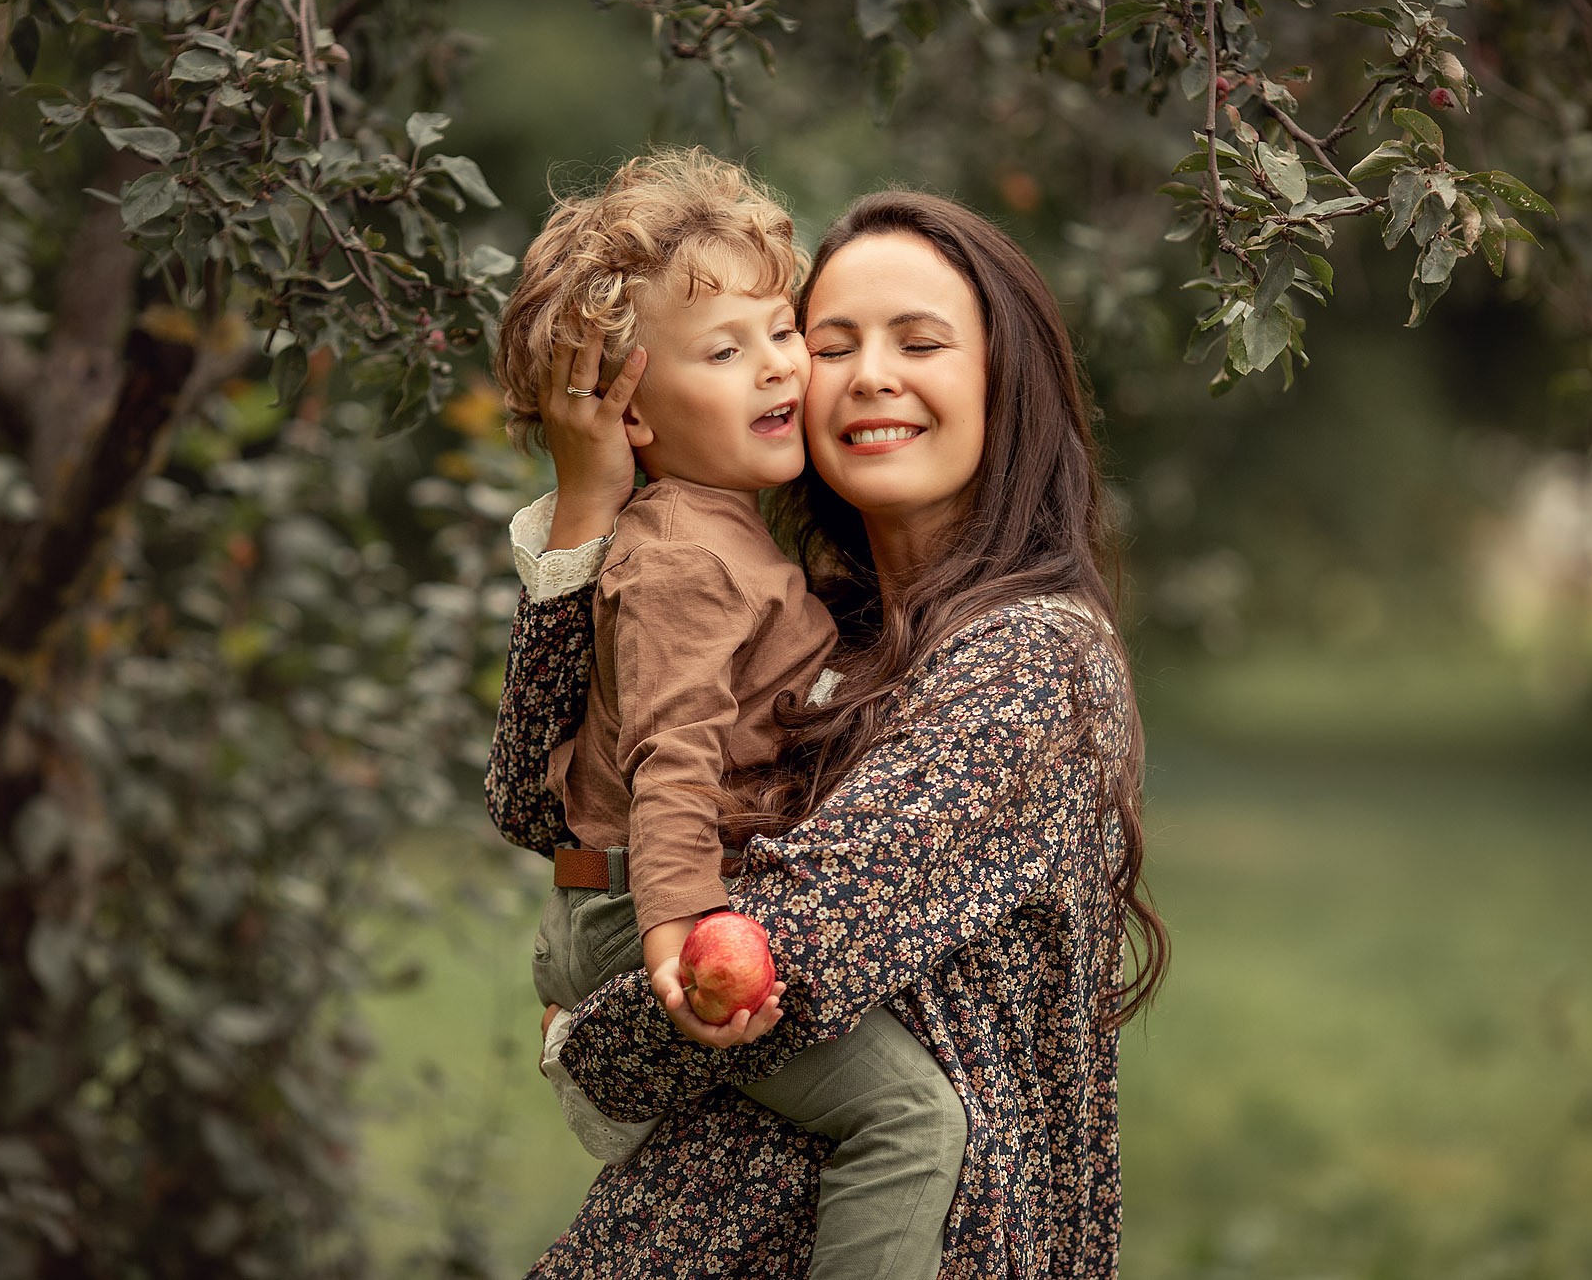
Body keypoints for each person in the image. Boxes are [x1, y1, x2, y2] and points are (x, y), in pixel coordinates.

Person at [487, 186, 1168, 1277]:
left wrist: (590, 1045)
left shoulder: (1033, 660)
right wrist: (585, 513)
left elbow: (796, 947)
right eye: (831, 340)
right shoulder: (815, 628)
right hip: (697, 1229)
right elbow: (534, 797)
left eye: (921, 340)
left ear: (1006, 379)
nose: (866, 376)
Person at [493, 149, 968, 1277]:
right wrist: (669, 946)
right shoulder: (680, 562)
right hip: (643, 905)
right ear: (633, 418)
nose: (776, 370)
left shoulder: (728, 533)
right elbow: (669, 762)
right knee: (908, 1121)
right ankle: (599, 1047)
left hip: (639, 901)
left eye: (779, 330)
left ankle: (592, 1051)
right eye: (723, 350)